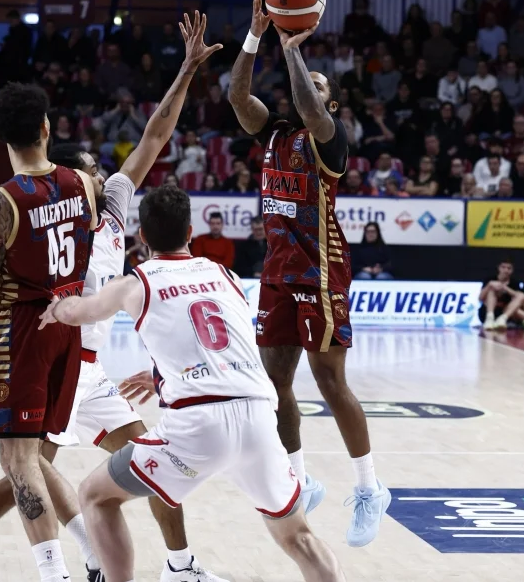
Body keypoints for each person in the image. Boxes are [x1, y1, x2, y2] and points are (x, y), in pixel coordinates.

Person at [0, 14, 231, 582]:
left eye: (101, 170)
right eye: (91, 169)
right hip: (54, 350)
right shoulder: (68, 198)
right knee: (23, 472)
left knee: (140, 462)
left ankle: (178, 565)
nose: (102, 174)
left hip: (86, 365)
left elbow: (154, 136)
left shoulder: (107, 202)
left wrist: (185, 72)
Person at [41, 186, 346, 582]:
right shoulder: (227, 276)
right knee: (299, 537)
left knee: (96, 496)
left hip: (198, 424)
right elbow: (214, 341)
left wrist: (57, 305)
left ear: (142, 236)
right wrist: (164, 376)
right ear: (190, 232)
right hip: (258, 416)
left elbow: (79, 312)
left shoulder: (134, 283)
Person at [228, 0, 390, 547]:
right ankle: (298, 480)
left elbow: (311, 106)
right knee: (273, 385)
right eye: (305, 82)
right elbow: (237, 95)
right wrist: (257, 35)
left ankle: (370, 488)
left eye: (320, 86)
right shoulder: (273, 133)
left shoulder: (330, 139)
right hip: (277, 272)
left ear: (333, 105)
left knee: (329, 381)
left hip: (321, 270)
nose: (307, 89)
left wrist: (292, 48)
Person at [0, 82, 99, 582]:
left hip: (21, 331)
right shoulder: (83, 183)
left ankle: (54, 573)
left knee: (19, 459)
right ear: (46, 127)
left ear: (2, 138)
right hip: (67, 324)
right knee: (34, 458)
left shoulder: (0, 202)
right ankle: (93, 553)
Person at [479, 258, 524, 331]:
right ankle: (490, 318)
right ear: (499, 268)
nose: (506, 270)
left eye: (509, 268)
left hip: (505, 313)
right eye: (503, 267)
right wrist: (489, 285)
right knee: (491, 290)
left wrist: (505, 288)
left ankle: (502, 319)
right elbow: (480, 298)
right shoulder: (490, 280)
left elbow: (521, 298)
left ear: (512, 270)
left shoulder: (514, 283)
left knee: (521, 295)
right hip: (487, 312)